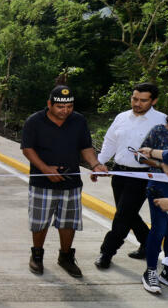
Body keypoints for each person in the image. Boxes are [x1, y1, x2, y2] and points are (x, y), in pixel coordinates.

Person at [21, 85, 108, 278]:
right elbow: (27, 149)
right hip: (42, 182)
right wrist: (45, 169)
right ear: (49, 104)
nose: (65, 110)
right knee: (40, 221)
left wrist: (95, 165)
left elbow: (86, 147)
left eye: (69, 106)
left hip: (71, 183)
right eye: (60, 107)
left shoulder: (78, 120)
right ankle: (37, 255)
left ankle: (66, 257)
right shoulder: (34, 121)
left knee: (68, 222)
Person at [94, 83, 166, 268]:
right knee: (129, 214)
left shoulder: (162, 121)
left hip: (143, 176)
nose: (137, 103)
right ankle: (149, 244)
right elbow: (110, 141)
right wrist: (98, 163)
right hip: (119, 174)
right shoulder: (121, 117)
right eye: (135, 99)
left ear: (154, 100)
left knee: (123, 216)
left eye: (143, 100)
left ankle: (106, 252)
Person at [136, 95, 168, 295]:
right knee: (158, 230)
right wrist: (163, 164)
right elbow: (140, 154)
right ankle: (150, 271)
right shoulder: (159, 131)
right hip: (160, 188)